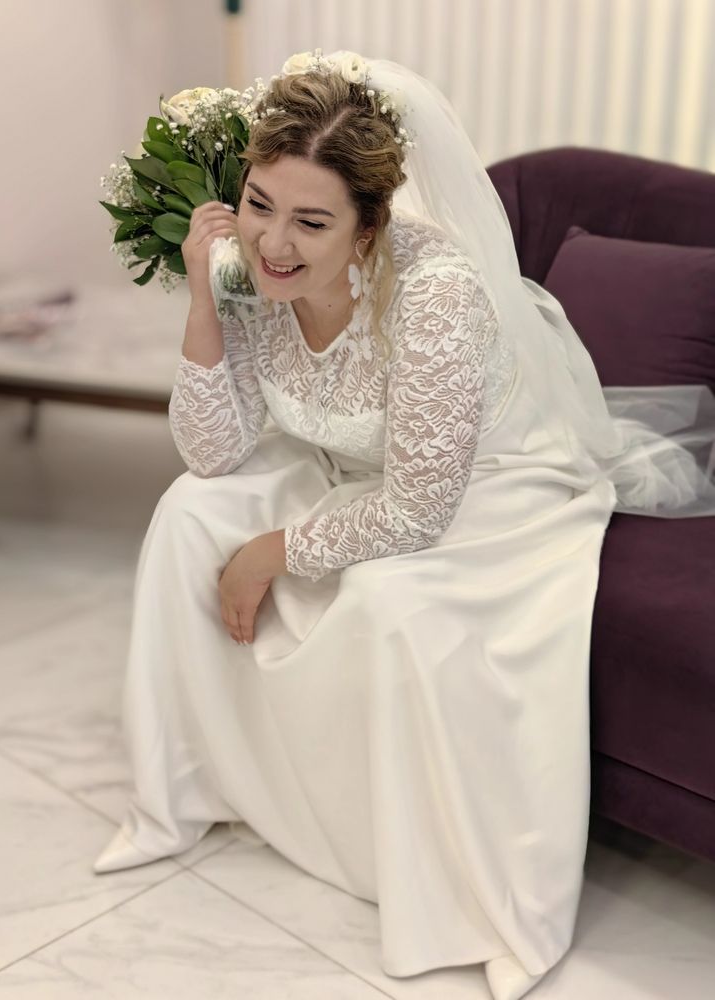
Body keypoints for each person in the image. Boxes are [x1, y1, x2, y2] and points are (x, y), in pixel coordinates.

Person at [93, 51, 715, 1000]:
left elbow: (422, 505)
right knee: (188, 512)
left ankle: (440, 882)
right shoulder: (246, 265)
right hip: (349, 464)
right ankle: (190, 791)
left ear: (370, 224)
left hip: (489, 488)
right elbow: (213, 453)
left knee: (390, 597)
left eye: (312, 222)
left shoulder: (436, 292)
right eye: (259, 204)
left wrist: (272, 554)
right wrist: (203, 300)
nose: (274, 243)